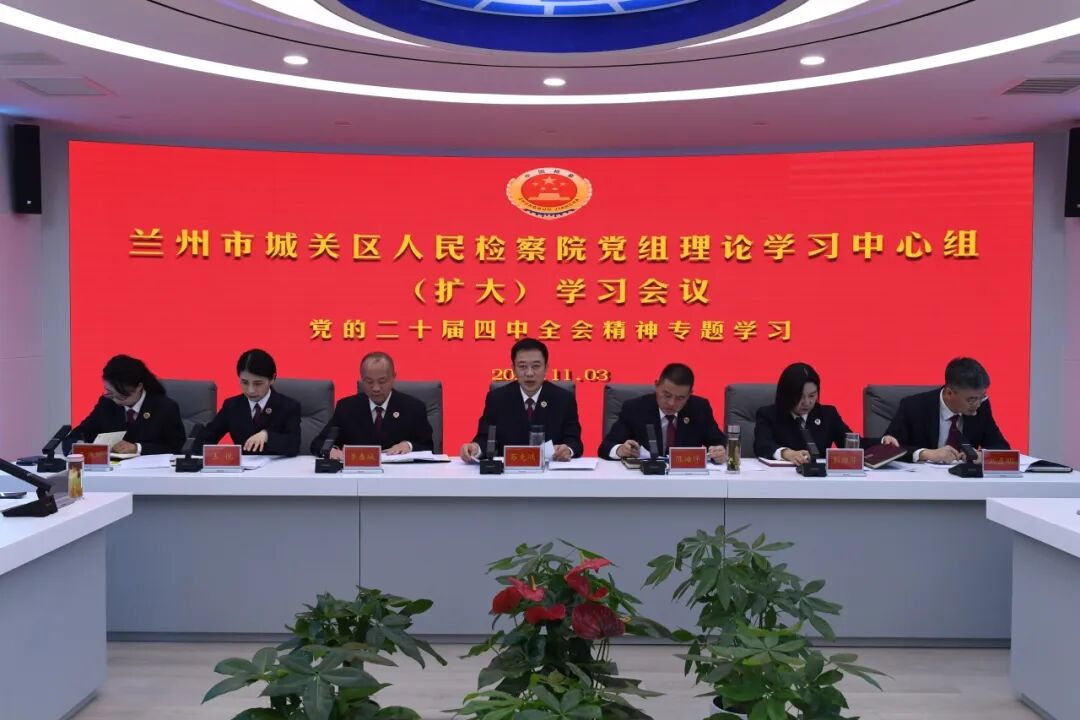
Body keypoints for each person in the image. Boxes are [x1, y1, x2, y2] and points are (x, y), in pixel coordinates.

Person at [460, 338, 583, 462]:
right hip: (508, 471)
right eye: (522, 366)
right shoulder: (497, 399)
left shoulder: (563, 399)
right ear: (513, 369)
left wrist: (568, 449)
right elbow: (485, 438)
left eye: (536, 366)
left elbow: (574, 441)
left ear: (546, 368)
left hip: (549, 470)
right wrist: (475, 448)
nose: (529, 373)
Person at [882, 357, 1009, 463]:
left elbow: (1002, 448)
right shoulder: (914, 406)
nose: (978, 404)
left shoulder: (982, 407)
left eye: (982, 397)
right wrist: (925, 454)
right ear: (949, 393)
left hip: (965, 481)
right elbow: (889, 448)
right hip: (923, 480)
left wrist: (983, 456)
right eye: (971, 399)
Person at [310, 351, 433, 457]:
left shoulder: (413, 408)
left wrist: (409, 446)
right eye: (369, 382)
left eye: (382, 381)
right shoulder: (347, 407)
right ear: (362, 379)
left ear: (393, 377)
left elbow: (428, 447)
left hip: (400, 474)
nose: (376, 388)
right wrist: (331, 450)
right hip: (358, 473)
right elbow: (319, 443)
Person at [598, 363, 726, 462]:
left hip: (686, 479)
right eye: (667, 395)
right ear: (656, 386)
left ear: (689, 395)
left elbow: (719, 442)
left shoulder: (699, 408)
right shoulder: (635, 408)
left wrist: (720, 451)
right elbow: (606, 447)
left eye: (680, 398)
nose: (671, 403)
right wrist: (620, 450)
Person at [65, 354, 185, 456]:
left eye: (121, 396)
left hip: (151, 472)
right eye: (110, 392)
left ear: (139, 387)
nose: (115, 400)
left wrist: (137, 448)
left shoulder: (165, 407)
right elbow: (78, 434)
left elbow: (177, 447)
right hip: (112, 471)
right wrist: (79, 445)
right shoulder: (107, 403)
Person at [196, 349, 301, 456]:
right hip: (243, 466)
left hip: (277, 466)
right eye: (244, 382)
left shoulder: (288, 406)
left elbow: (294, 445)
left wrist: (267, 436)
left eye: (258, 384)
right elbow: (204, 440)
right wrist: (224, 455)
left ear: (272, 379)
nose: (250, 390)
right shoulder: (232, 406)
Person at [753, 362, 858, 466]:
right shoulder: (768, 415)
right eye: (800, 397)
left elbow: (851, 443)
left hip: (820, 475)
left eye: (812, 396)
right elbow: (762, 445)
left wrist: (868, 450)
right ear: (786, 395)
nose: (807, 402)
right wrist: (786, 453)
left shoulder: (828, 414)